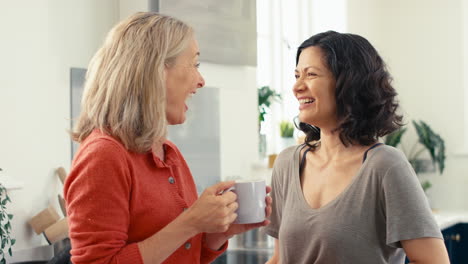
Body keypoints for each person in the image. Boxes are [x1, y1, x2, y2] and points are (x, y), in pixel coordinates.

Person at [64, 12, 272, 264]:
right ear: (157, 70)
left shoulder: (169, 153)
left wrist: (215, 234)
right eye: (194, 64)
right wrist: (191, 222)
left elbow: (184, 255)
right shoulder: (104, 155)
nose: (201, 81)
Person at [265, 31, 449, 264]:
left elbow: (433, 261)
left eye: (311, 74)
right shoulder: (287, 163)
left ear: (348, 83)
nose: (297, 87)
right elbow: (280, 258)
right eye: (296, 75)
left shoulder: (385, 166)